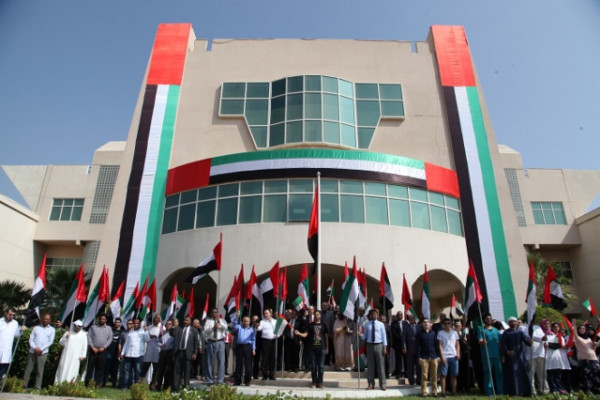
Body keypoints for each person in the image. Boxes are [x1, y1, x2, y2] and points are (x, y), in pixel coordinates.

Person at [296, 309, 329, 388]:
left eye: (318, 314)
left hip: (321, 348)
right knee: (313, 366)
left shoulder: (323, 325)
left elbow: (326, 336)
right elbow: (306, 334)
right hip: (312, 349)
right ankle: (314, 382)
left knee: (321, 367)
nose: (316, 316)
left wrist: (327, 347)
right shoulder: (310, 325)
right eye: (315, 314)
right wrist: (299, 333)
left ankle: (320, 382)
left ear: (320, 316)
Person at [500, 316, 532, 396]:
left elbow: (526, 340)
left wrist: (530, 341)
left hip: (520, 356)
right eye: (511, 322)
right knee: (512, 374)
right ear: (508, 323)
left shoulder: (520, 332)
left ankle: (525, 392)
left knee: (523, 373)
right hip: (511, 356)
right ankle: (513, 392)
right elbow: (503, 344)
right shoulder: (506, 332)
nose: (513, 323)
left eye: (514, 321)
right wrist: (507, 352)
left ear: (517, 322)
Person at [23, 313, 55, 390]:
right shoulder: (36, 328)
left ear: (50, 320)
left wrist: (41, 349)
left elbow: (50, 341)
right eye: (44, 319)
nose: (45, 320)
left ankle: (37, 386)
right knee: (28, 369)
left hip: (43, 352)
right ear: (42, 319)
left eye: (47, 319)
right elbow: (31, 339)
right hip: (32, 351)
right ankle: (24, 385)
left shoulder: (52, 330)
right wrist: (35, 348)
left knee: (39, 370)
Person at [570, 319, 600, 394]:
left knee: (596, 375)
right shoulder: (577, 339)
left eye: (583, 329)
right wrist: (574, 329)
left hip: (594, 360)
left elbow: (592, 349)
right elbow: (576, 337)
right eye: (580, 329)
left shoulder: (589, 339)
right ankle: (588, 392)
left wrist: (595, 345)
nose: (582, 330)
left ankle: (596, 391)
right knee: (587, 377)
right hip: (585, 360)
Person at [478, 312, 504, 396]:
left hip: (497, 355)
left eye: (490, 318)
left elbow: (500, 343)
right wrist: (482, 341)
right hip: (487, 356)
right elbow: (479, 340)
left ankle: (500, 390)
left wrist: (502, 354)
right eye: (487, 318)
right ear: (484, 320)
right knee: (488, 374)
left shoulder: (496, 330)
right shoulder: (481, 330)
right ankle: (489, 391)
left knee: (499, 373)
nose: (489, 320)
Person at [362, 308, 387, 390]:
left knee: (380, 365)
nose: (373, 315)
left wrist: (384, 346)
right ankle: (371, 383)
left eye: (375, 314)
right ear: (370, 315)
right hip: (370, 345)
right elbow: (365, 336)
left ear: (377, 315)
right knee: (370, 366)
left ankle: (383, 384)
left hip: (379, 345)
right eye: (372, 314)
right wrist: (360, 335)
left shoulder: (381, 324)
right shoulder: (367, 324)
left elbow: (384, 336)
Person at [120, 318, 149, 389]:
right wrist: (123, 352)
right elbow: (126, 343)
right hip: (128, 354)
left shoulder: (143, 332)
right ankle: (126, 386)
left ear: (139, 324)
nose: (135, 324)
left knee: (137, 371)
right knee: (127, 371)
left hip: (138, 355)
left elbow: (147, 339)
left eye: (137, 323)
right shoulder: (131, 332)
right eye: (134, 323)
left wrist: (146, 331)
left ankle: (136, 386)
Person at [172, 316, 199, 391]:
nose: (185, 322)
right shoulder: (178, 329)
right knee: (177, 372)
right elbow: (172, 333)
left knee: (187, 372)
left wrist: (195, 353)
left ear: (190, 322)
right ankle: (175, 389)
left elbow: (196, 343)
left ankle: (185, 389)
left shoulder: (194, 330)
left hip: (188, 354)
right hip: (178, 353)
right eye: (184, 320)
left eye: (187, 320)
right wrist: (174, 326)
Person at [85, 313, 113, 387]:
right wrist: (92, 346)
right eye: (101, 319)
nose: (102, 320)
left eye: (103, 319)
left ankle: (97, 383)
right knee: (90, 368)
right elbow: (89, 337)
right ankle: (87, 384)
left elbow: (110, 339)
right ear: (98, 319)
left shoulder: (109, 328)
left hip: (102, 351)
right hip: (93, 350)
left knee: (100, 368)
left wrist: (104, 347)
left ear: (106, 320)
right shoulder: (93, 327)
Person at [416, 318, 439, 397]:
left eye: (427, 322)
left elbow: (436, 345)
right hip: (424, 357)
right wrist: (419, 357)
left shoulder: (433, 333)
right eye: (424, 322)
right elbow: (417, 346)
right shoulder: (419, 334)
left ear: (430, 324)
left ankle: (434, 392)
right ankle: (424, 392)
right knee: (424, 376)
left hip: (433, 357)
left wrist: (438, 356)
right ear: (422, 324)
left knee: (434, 375)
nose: (426, 324)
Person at [203, 308, 228, 385]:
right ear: (211, 313)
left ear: (217, 313)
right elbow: (205, 331)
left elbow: (226, 328)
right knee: (210, 361)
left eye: (215, 312)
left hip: (220, 341)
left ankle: (220, 380)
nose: (214, 313)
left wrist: (219, 322)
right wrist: (212, 328)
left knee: (221, 361)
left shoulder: (222, 320)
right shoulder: (208, 321)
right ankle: (210, 380)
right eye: (213, 312)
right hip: (211, 342)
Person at [437, 317, 460, 396]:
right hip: (445, 356)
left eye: (448, 323)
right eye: (445, 324)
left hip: (453, 356)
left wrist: (458, 353)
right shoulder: (440, 333)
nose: (447, 325)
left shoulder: (454, 333)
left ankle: (454, 391)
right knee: (443, 375)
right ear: (443, 325)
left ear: (451, 324)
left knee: (454, 375)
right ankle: (443, 392)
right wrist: (442, 356)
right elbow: (439, 345)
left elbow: (457, 344)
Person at [231, 314, 255, 386]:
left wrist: (254, 349)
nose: (246, 323)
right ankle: (237, 381)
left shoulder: (251, 330)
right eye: (244, 321)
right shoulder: (239, 328)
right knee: (239, 364)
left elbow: (253, 340)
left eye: (247, 321)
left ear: (249, 322)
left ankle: (247, 381)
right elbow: (234, 325)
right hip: (240, 347)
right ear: (242, 321)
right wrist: (237, 316)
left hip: (248, 347)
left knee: (248, 365)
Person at [545, 321, 567, 394]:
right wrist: (554, 345)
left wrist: (552, 345)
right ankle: (553, 389)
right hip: (549, 356)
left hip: (558, 357)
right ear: (552, 328)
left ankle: (559, 388)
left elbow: (561, 346)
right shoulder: (548, 335)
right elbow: (546, 345)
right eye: (554, 327)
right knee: (550, 374)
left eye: (557, 327)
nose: (556, 328)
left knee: (558, 374)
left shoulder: (561, 337)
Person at [0, 307, 22, 380]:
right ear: (5, 313)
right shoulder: (0, 322)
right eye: (10, 314)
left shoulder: (15, 323)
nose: (11, 317)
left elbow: (16, 335)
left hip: (7, 352)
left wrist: (21, 330)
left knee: (1, 372)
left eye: (13, 315)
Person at [141, 314, 162, 388]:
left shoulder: (162, 328)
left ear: (160, 320)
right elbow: (146, 338)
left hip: (157, 350)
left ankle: (152, 384)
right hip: (149, 349)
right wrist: (149, 335)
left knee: (156, 369)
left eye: (158, 318)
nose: (156, 319)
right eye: (155, 318)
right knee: (145, 366)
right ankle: (141, 382)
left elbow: (163, 340)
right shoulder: (149, 327)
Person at [256, 309, 277, 380]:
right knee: (265, 358)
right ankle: (264, 374)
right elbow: (259, 329)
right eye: (264, 313)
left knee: (272, 358)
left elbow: (278, 330)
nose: (266, 315)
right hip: (265, 341)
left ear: (270, 313)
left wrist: (278, 335)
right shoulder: (262, 321)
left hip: (273, 340)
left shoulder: (275, 321)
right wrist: (257, 325)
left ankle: (272, 374)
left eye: (267, 313)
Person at [530, 319, 549, 395]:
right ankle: (533, 391)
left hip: (540, 354)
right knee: (531, 375)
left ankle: (544, 390)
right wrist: (541, 339)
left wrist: (545, 343)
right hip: (530, 355)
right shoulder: (524, 328)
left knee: (542, 373)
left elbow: (544, 339)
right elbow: (530, 338)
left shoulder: (539, 328)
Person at [155, 319, 174, 391]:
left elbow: (174, 343)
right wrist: (161, 345)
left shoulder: (173, 333)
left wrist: (168, 347)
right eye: (167, 324)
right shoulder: (162, 333)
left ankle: (166, 386)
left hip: (169, 353)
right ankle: (158, 386)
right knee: (160, 371)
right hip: (162, 352)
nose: (168, 325)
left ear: (172, 326)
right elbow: (158, 341)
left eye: (169, 324)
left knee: (168, 371)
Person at [103, 317, 122, 387]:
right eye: (116, 322)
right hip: (109, 351)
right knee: (106, 368)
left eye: (118, 322)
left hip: (116, 353)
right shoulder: (111, 330)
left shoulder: (121, 332)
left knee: (115, 369)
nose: (116, 323)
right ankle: (103, 383)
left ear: (120, 323)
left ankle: (114, 384)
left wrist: (120, 353)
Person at [402, 313, 420, 385]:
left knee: (419, 366)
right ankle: (411, 381)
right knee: (410, 366)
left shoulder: (419, 327)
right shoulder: (406, 327)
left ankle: (418, 380)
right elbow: (403, 338)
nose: (411, 320)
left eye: (412, 318)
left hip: (418, 349)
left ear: (414, 319)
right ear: (408, 320)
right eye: (410, 318)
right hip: (409, 349)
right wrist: (404, 347)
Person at [390, 311, 404, 379]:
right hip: (397, 344)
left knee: (405, 358)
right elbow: (394, 333)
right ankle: (398, 372)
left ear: (402, 316)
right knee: (398, 359)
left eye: (401, 315)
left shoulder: (405, 323)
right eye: (398, 315)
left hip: (405, 344)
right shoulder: (393, 324)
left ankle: (405, 372)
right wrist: (401, 338)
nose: (399, 316)